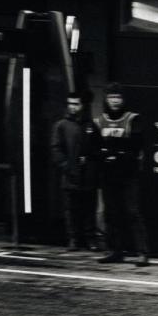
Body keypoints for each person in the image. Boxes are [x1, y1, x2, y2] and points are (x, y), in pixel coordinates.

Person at [97, 83, 149, 265]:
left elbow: (135, 145)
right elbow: (93, 148)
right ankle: (114, 250)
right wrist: (114, 149)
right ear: (106, 99)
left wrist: (112, 149)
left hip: (128, 174)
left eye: (117, 97)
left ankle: (142, 252)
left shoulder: (132, 119)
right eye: (111, 97)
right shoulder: (99, 121)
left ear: (123, 99)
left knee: (133, 212)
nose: (114, 101)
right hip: (108, 175)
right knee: (111, 213)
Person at [50, 93, 102, 251]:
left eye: (75, 104)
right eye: (70, 103)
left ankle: (90, 239)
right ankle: (73, 239)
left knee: (89, 208)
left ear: (82, 105)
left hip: (88, 175)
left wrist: (91, 163)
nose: (72, 107)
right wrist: (67, 165)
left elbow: (97, 147)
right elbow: (56, 149)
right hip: (70, 175)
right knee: (71, 209)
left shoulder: (91, 125)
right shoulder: (61, 125)